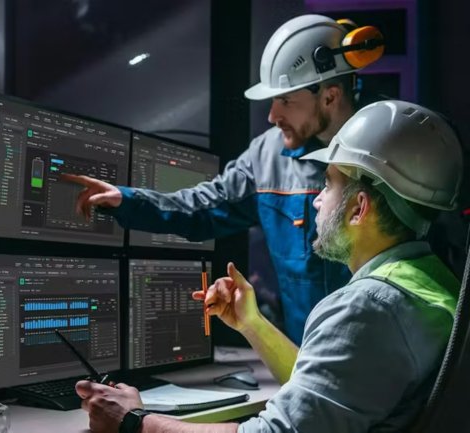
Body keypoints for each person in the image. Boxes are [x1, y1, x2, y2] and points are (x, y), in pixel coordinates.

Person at [76, 100, 464, 433]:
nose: (315, 201)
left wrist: (134, 420)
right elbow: (328, 390)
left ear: (359, 209)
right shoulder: (431, 282)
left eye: (327, 185)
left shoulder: (367, 308)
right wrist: (252, 323)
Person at [63, 14, 386, 344]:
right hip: (306, 364)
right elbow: (203, 208)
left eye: (285, 100)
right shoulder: (266, 157)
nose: (273, 116)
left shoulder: (393, 147)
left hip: (383, 364)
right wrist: (125, 200)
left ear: (330, 96)